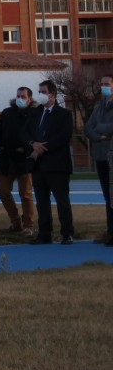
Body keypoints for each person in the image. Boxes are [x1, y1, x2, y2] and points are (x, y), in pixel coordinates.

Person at [27, 80, 74, 245]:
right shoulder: (35, 113)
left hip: (57, 165)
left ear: (52, 95)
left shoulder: (64, 114)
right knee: (42, 202)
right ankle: (44, 233)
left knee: (62, 201)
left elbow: (64, 137)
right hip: (38, 166)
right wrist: (33, 144)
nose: (40, 94)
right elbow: (27, 132)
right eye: (39, 91)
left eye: (43, 91)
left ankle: (67, 233)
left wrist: (42, 148)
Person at [0, 87, 36, 236]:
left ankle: (28, 225)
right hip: (6, 158)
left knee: (26, 194)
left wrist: (27, 149)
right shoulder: (7, 113)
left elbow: (36, 134)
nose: (19, 99)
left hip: (24, 160)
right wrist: (0, 145)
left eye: (23, 96)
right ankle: (15, 221)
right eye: (18, 96)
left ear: (29, 98)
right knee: (3, 191)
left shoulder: (35, 114)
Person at [83, 73, 113, 246]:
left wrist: (100, 128)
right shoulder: (99, 107)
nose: (104, 87)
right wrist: (99, 135)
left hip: (111, 155)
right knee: (107, 196)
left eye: (107, 83)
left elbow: (108, 127)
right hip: (101, 155)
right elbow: (88, 128)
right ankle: (110, 231)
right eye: (102, 84)